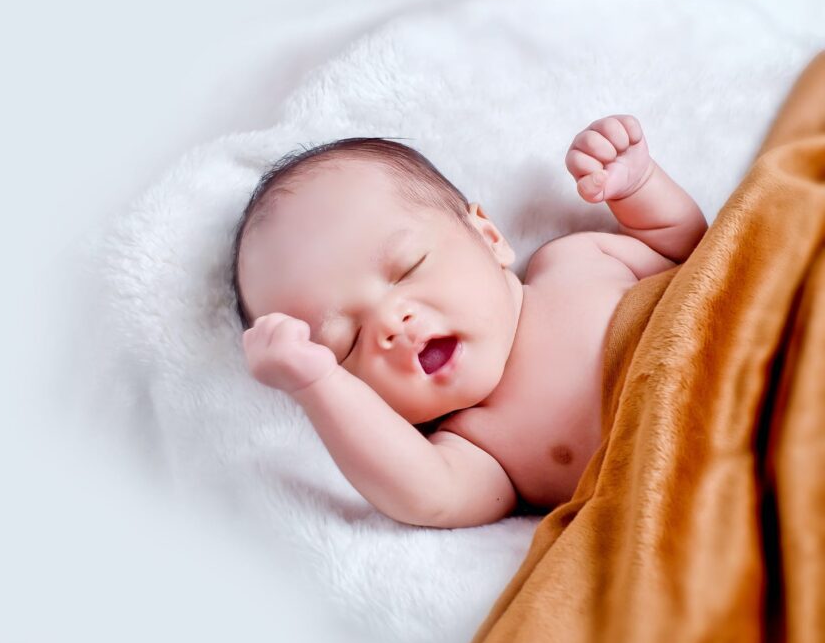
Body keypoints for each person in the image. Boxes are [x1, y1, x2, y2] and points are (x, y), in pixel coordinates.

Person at [230, 115, 708, 528]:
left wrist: (640, 185)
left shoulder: (576, 260)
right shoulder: (480, 448)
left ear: (488, 235)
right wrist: (317, 385)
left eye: (408, 268)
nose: (392, 324)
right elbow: (425, 496)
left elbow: (691, 254)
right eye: (347, 342)